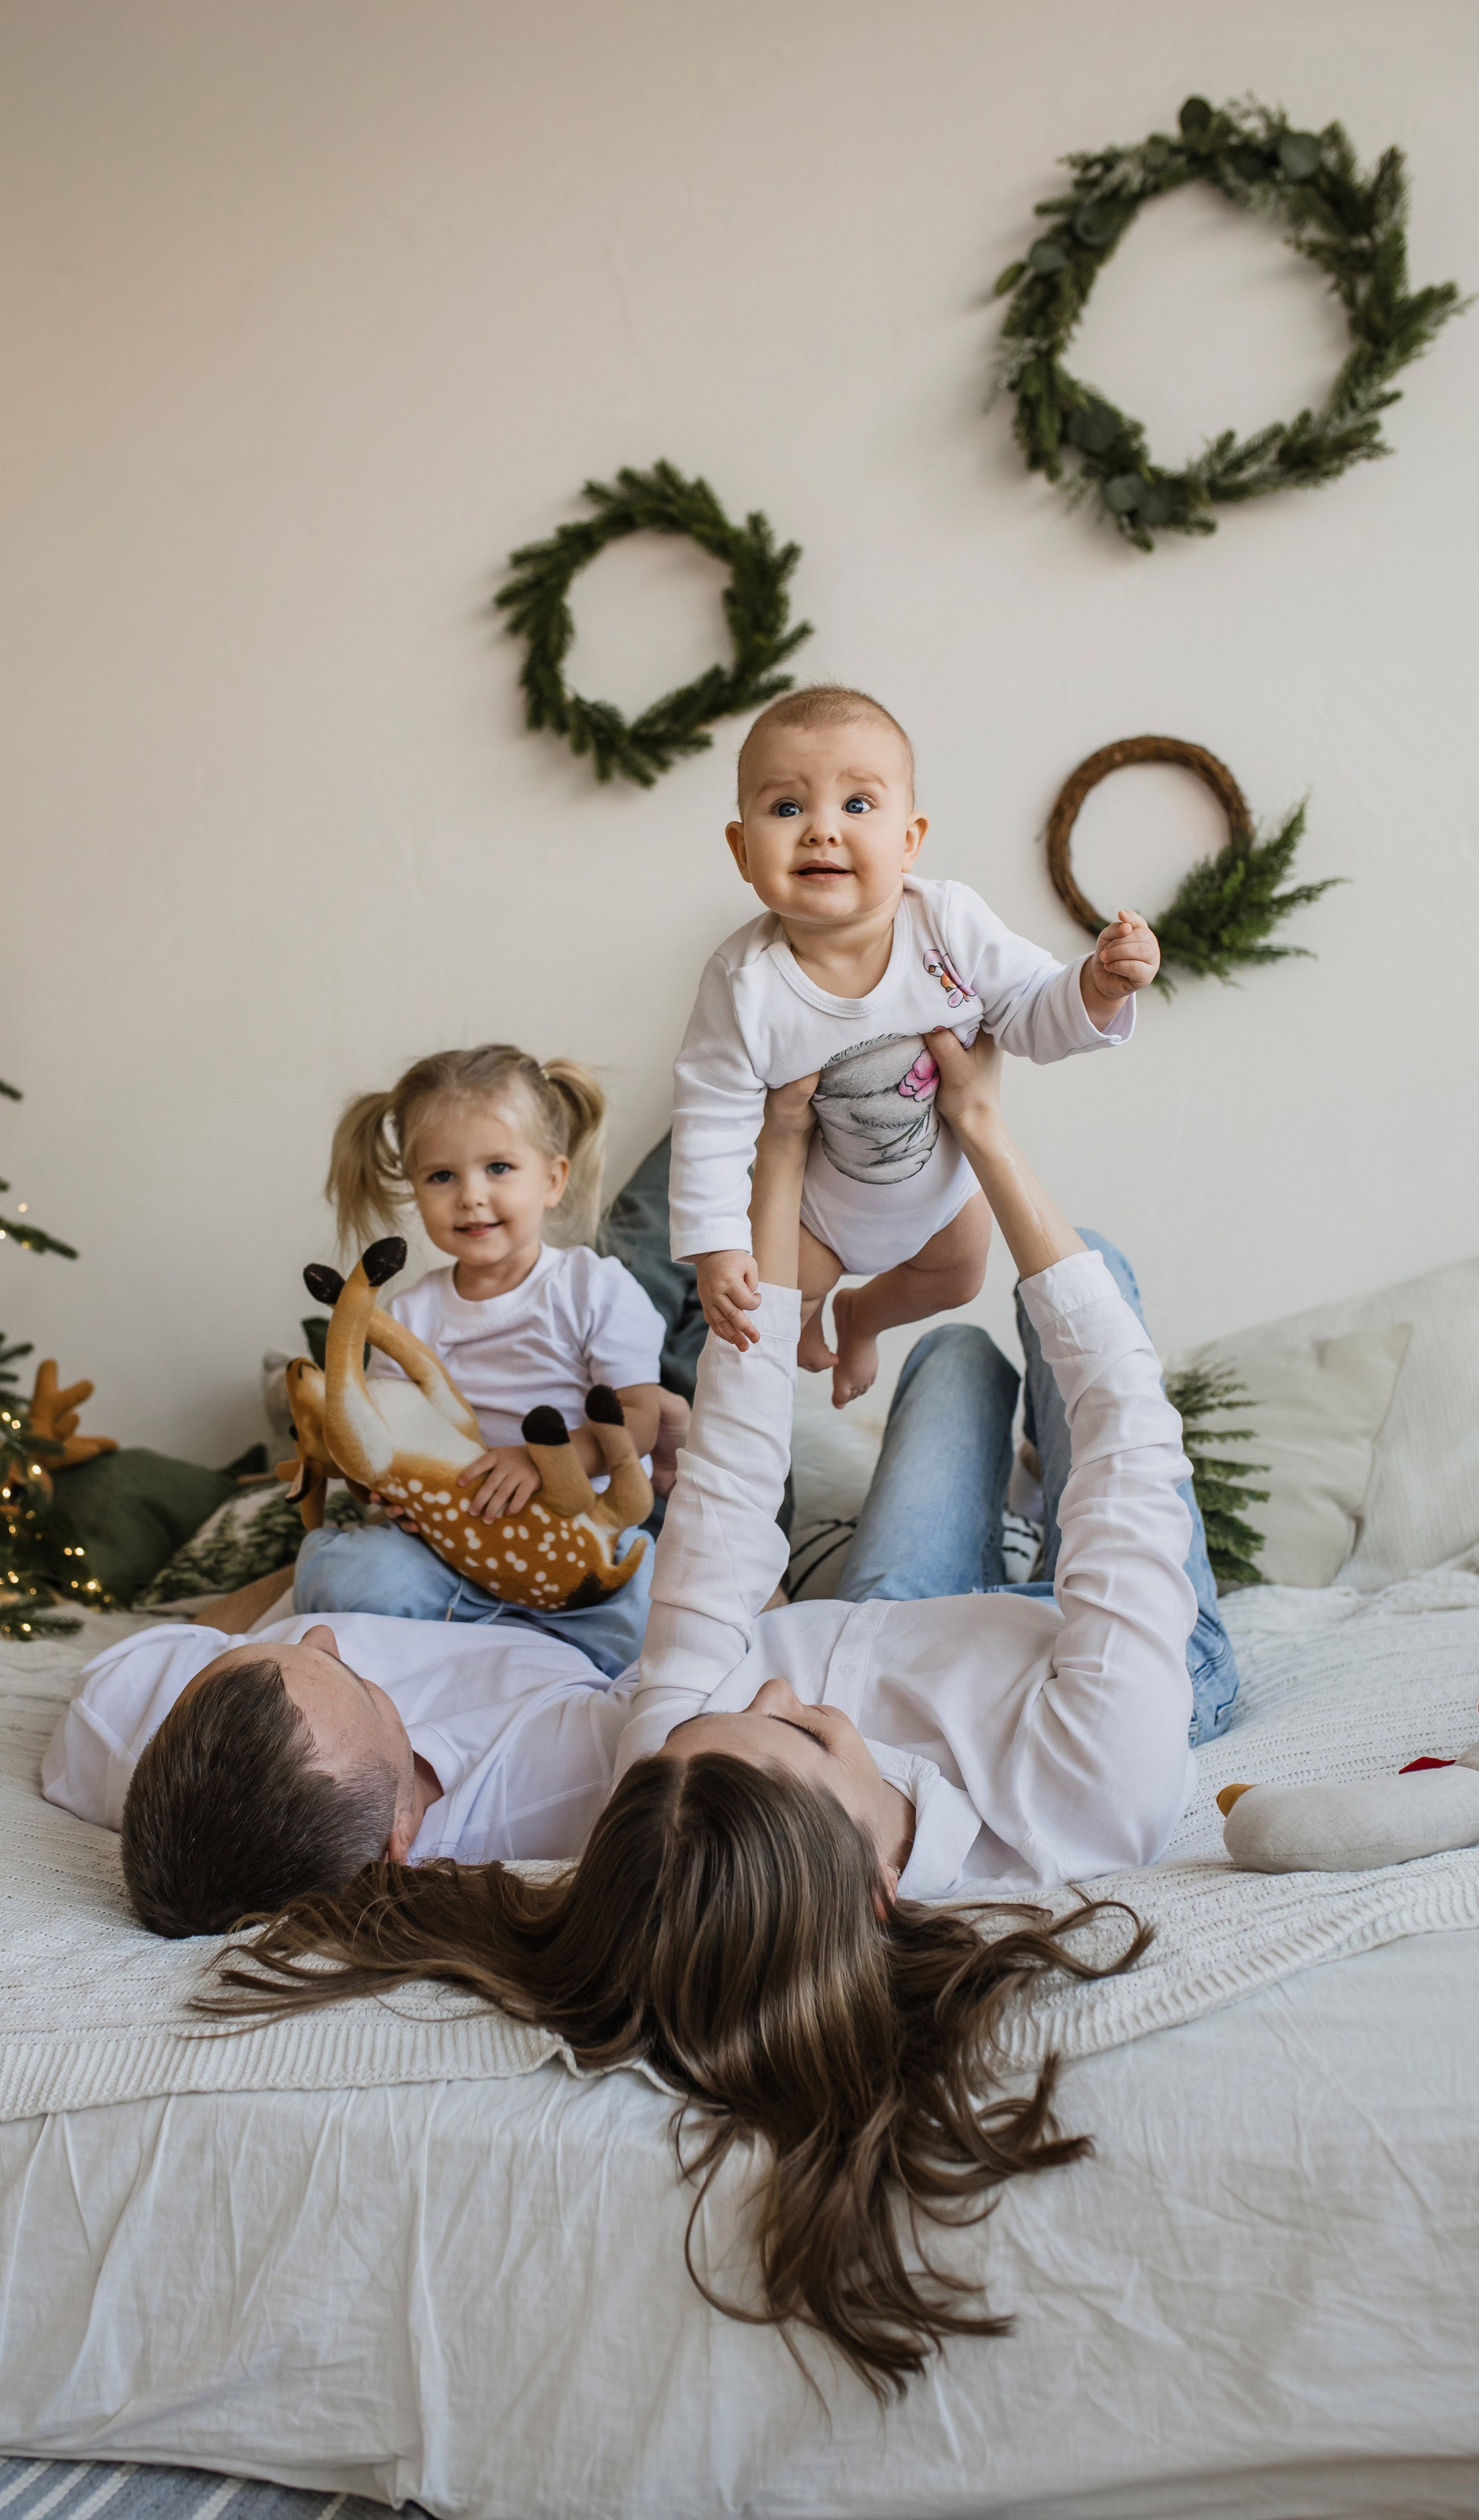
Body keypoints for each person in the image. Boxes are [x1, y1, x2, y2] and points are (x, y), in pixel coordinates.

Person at [189, 1029, 1209, 2389]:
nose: (776, 1688)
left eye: (735, 1713)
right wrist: (983, 1134)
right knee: (1079, 1302)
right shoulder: (1097, 1781)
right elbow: (1131, 1439)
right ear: (876, 1887)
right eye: (788, 1734)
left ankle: (989, 1510)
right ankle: (1034, 1536)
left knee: (946, 1377)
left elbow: (725, 1478)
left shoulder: (658, 1765)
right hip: (1088, 1658)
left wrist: (779, 1154)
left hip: (891, 1610)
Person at [670, 683, 1160, 1404]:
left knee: (960, 1275)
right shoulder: (744, 984)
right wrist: (716, 1249)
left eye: (857, 804)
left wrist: (1097, 987)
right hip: (820, 1217)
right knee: (773, 1305)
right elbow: (709, 1122)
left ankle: (861, 1319)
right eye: (785, 808)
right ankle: (813, 1321)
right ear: (743, 851)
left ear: (908, 842)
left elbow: (1029, 1009)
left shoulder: (947, 925)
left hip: (943, 1197)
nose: (821, 830)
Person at [304, 1043, 666, 1676]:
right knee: (342, 1575)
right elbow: (383, 1430)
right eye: (442, 1176)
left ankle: (542, 1653)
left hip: (577, 1539)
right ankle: (465, 1645)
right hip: (450, 1550)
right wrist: (392, 1496)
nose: (470, 1196)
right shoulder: (414, 1313)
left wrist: (540, 1460)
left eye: (499, 1167)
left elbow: (641, 1417)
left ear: (553, 1180)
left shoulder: (593, 1288)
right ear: (415, 1190)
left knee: (649, 1602)